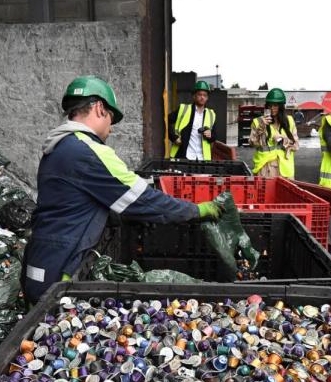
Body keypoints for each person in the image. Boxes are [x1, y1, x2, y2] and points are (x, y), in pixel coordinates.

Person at [23, 76, 221, 303]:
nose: (111, 128)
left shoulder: (59, 146)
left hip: (40, 262)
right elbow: (143, 201)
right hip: (60, 275)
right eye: (111, 118)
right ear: (99, 108)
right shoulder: (88, 151)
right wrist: (198, 210)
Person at [249, 88, 298, 178]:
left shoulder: (290, 121)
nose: (272, 108)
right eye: (269, 105)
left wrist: (283, 139)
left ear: (281, 107)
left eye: (275, 105)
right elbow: (252, 143)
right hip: (265, 169)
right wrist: (261, 126)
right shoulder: (257, 122)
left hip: (285, 171)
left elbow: (296, 146)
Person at [168, 80, 216, 160]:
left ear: (207, 98)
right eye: (199, 94)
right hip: (184, 155)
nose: (202, 97)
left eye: (205, 95)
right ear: (194, 96)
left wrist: (210, 135)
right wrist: (174, 137)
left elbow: (214, 136)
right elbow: (166, 121)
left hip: (203, 158)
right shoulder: (183, 109)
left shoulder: (211, 114)